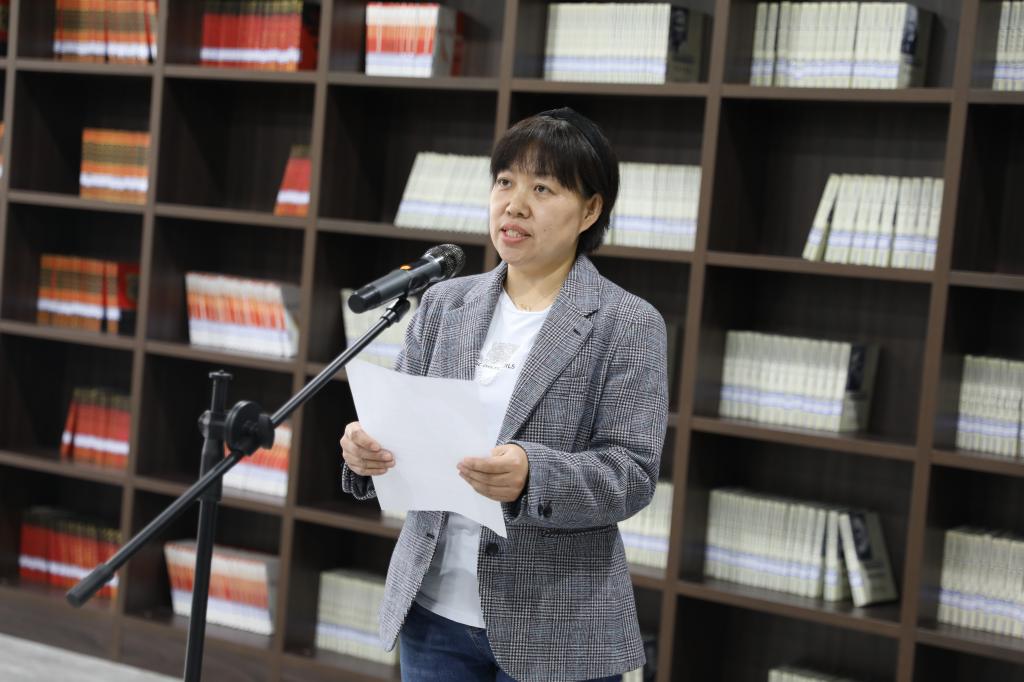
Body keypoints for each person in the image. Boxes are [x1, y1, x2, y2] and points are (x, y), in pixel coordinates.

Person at [340, 107, 669, 682]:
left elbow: (632, 474)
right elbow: (399, 425)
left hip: (556, 625)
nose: (514, 205)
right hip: (433, 614)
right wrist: (365, 453)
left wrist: (531, 476)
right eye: (504, 182)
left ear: (590, 210)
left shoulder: (628, 323)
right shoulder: (445, 303)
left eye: (542, 188)